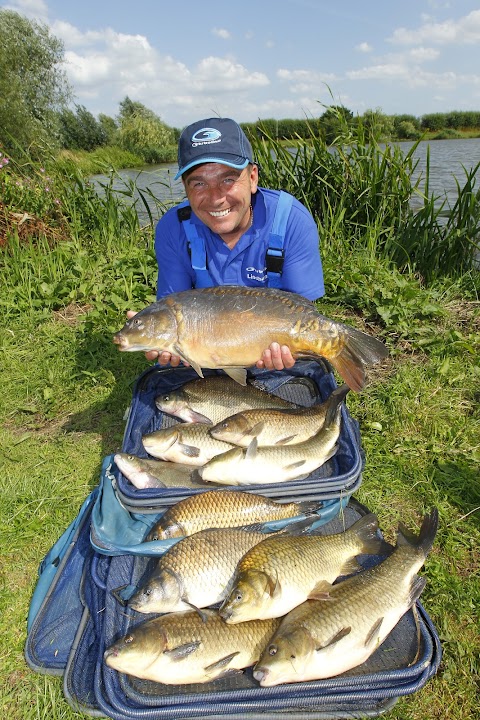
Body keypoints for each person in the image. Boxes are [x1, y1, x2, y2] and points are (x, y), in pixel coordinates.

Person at [133, 117, 325, 371]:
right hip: (203, 356)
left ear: (253, 177)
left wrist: (291, 349)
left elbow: (303, 313)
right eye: (199, 183)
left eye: (228, 179)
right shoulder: (173, 228)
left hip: (273, 355)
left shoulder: (291, 221)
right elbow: (173, 310)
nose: (215, 198)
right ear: (185, 188)